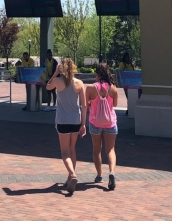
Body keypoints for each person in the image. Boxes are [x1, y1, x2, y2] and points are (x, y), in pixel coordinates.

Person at [47, 57, 87, 193]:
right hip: (76, 120)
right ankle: (70, 179)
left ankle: (73, 174)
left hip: (63, 120)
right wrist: (83, 124)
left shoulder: (58, 81)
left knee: (65, 152)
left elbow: (48, 86)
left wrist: (55, 73)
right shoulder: (79, 83)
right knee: (72, 150)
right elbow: (84, 105)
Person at [86, 63, 119, 190]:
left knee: (96, 149)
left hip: (95, 122)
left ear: (97, 74)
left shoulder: (90, 88)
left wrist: (92, 102)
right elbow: (115, 105)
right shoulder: (113, 88)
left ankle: (99, 176)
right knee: (110, 150)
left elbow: (86, 104)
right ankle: (112, 172)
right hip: (110, 122)